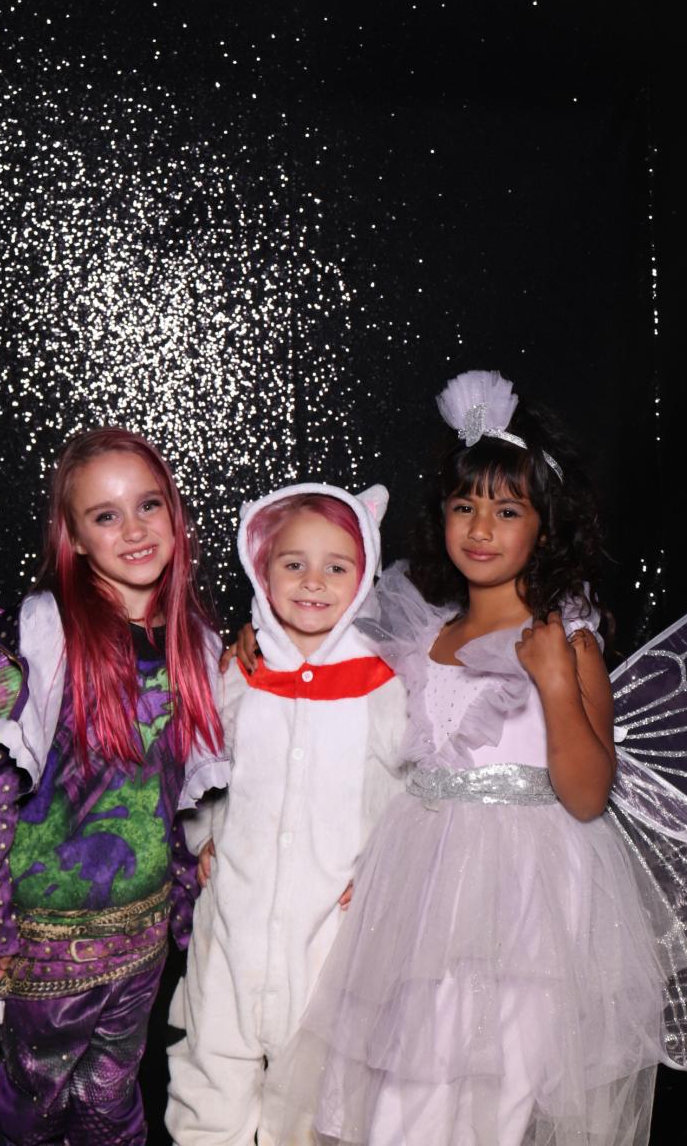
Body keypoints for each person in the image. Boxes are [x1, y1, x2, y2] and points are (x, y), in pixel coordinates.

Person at [260, 368, 687, 1146]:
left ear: (545, 528)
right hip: (422, 893)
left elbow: (588, 794)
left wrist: (556, 682)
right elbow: (358, 737)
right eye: (465, 506)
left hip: (530, 904)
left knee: (502, 1096)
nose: (481, 527)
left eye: (507, 510)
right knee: (406, 1093)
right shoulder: (421, 634)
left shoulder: (568, 637)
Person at [0, 427, 229, 1146]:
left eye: (148, 505)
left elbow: (182, 791)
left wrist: (192, 880)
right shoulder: (44, 640)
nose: (134, 530)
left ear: (174, 513)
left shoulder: (195, 642)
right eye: (106, 515)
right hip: (45, 942)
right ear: (74, 537)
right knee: (37, 1108)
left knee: (112, 1102)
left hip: (140, 938)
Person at [165, 482, 408, 1146]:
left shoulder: (384, 684)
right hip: (234, 921)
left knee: (315, 1094)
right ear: (261, 569)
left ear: (364, 576)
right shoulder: (239, 672)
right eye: (293, 563)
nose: (313, 581)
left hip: (331, 929)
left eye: (337, 566)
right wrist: (206, 836)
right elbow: (207, 765)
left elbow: (406, 785)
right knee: (210, 1070)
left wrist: (384, 865)